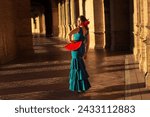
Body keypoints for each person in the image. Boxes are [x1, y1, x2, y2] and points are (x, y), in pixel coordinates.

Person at [68, 15, 91, 92]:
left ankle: (78, 87)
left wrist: (71, 41)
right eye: (77, 21)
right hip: (82, 49)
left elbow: (69, 33)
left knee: (76, 67)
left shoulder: (78, 29)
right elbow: (88, 43)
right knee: (80, 66)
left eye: (79, 21)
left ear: (82, 22)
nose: (78, 22)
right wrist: (86, 53)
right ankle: (82, 86)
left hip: (76, 49)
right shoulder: (87, 30)